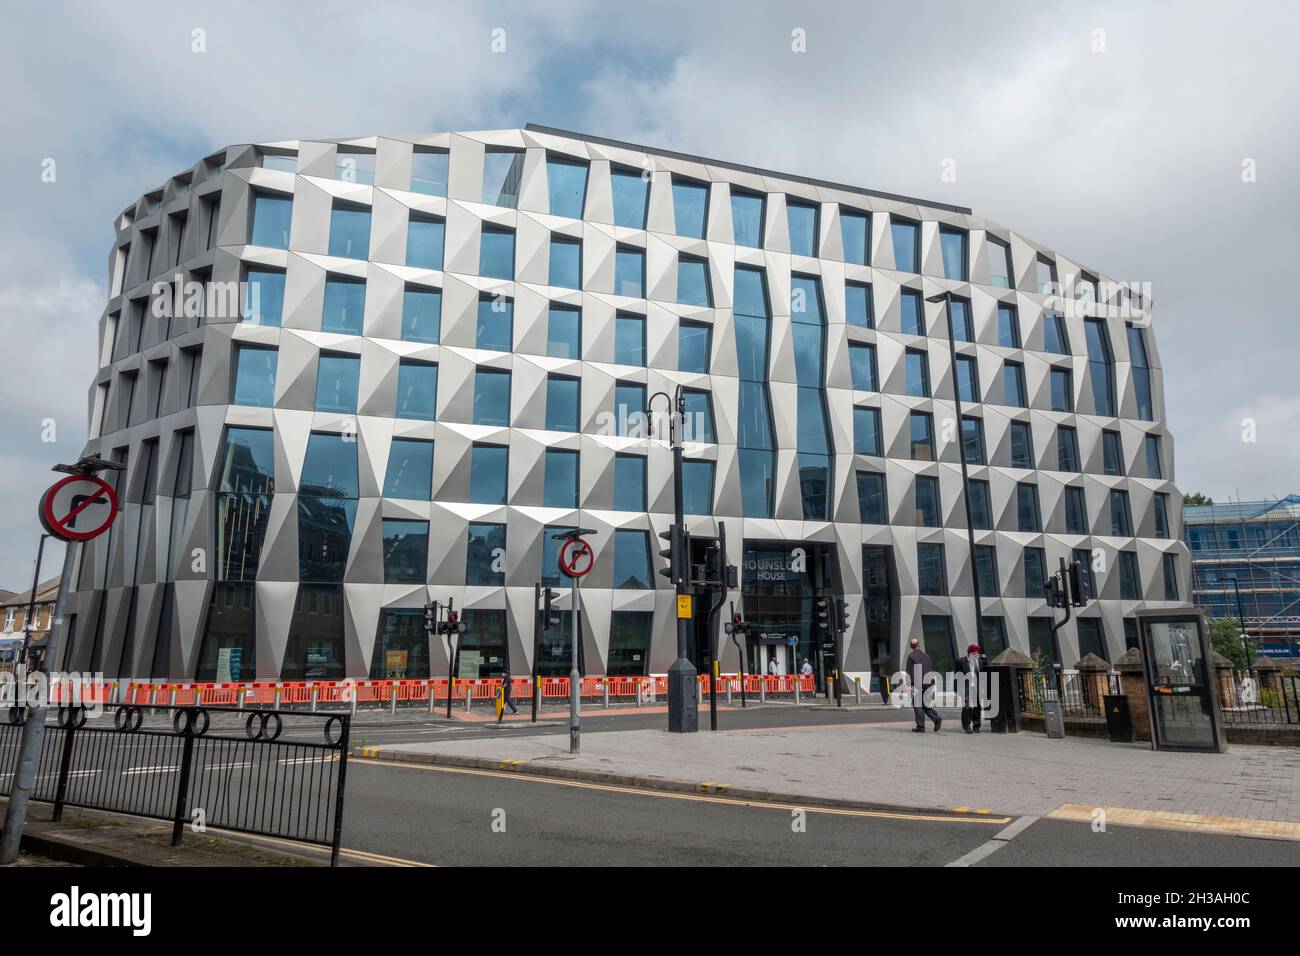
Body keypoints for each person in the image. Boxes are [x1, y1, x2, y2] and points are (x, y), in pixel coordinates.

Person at [904, 637, 941, 733]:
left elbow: (909, 672)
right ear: (919, 645)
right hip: (929, 683)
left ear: (911, 647)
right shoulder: (926, 656)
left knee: (917, 704)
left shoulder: (911, 656)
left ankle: (921, 726)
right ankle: (936, 718)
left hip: (918, 684)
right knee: (925, 704)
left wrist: (909, 685)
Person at [954, 643, 983, 733]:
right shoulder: (960, 661)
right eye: (973, 654)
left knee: (977, 707)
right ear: (969, 653)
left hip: (976, 688)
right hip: (966, 688)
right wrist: (956, 688)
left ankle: (976, 726)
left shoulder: (980, 663)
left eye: (976, 654)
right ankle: (967, 726)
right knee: (967, 707)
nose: (975, 655)